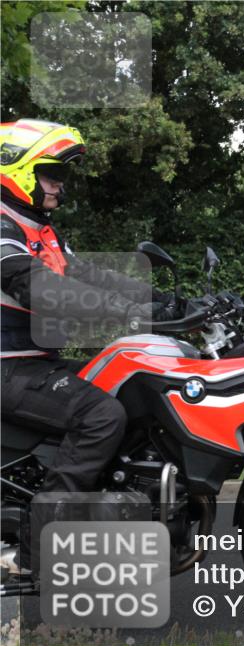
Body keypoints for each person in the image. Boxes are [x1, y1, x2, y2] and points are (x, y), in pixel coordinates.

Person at [1, 118, 176, 493]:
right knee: (102, 416)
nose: (59, 186)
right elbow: (39, 287)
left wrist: (162, 300)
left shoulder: (39, 231)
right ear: (16, 169)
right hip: (7, 368)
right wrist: (126, 311)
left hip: (33, 363)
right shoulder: (3, 227)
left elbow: (90, 275)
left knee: (133, 386)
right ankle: (46, 541)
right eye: (51, 175)